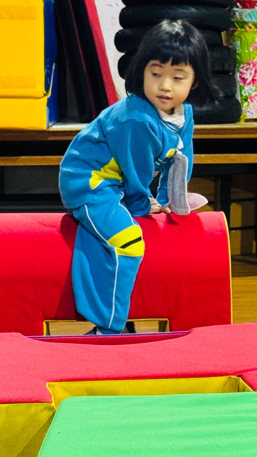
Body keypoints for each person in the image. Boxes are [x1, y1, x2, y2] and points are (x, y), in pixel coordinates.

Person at [59, 19, 217, 335]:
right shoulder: (137, 119)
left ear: (195, 81)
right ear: (141, 71)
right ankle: (107, 326)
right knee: (128, 242)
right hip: (91, 182)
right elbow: (136, 172)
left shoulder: (184, 113)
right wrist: (143, 204)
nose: (165, 86)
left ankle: (115, 321)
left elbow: (181, 158)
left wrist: (172, 200)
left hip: (119, 181)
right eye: (155, 74)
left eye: (178, 77)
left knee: (151, 215)